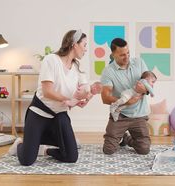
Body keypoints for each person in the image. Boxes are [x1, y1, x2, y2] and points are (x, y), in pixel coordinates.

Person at [8, 29, 91, 166]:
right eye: (84, 45)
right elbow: (48, 92)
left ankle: (45, 150)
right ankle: (20, 144)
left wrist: (85, 97)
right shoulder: (51, 60)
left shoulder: (76, 67)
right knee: (27, 160)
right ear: (74, 44)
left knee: (71, 156)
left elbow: (85, 90)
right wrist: (69, 100)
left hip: (59, 115)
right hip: (39, 113)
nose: (86, 49)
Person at [100, 38, 151, 155]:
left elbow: (148, 84)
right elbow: (105, 98)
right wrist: (127, 102)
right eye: (122, 55)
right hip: (120, 115)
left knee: (144, 150)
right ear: (113, 54)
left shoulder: (139, 62)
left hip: (139, 115)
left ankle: (127, 139)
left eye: (128, 53)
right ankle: (119, 135)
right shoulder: (108, 72)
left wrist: (145, 89)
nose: (127, 57)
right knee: (108, 150)